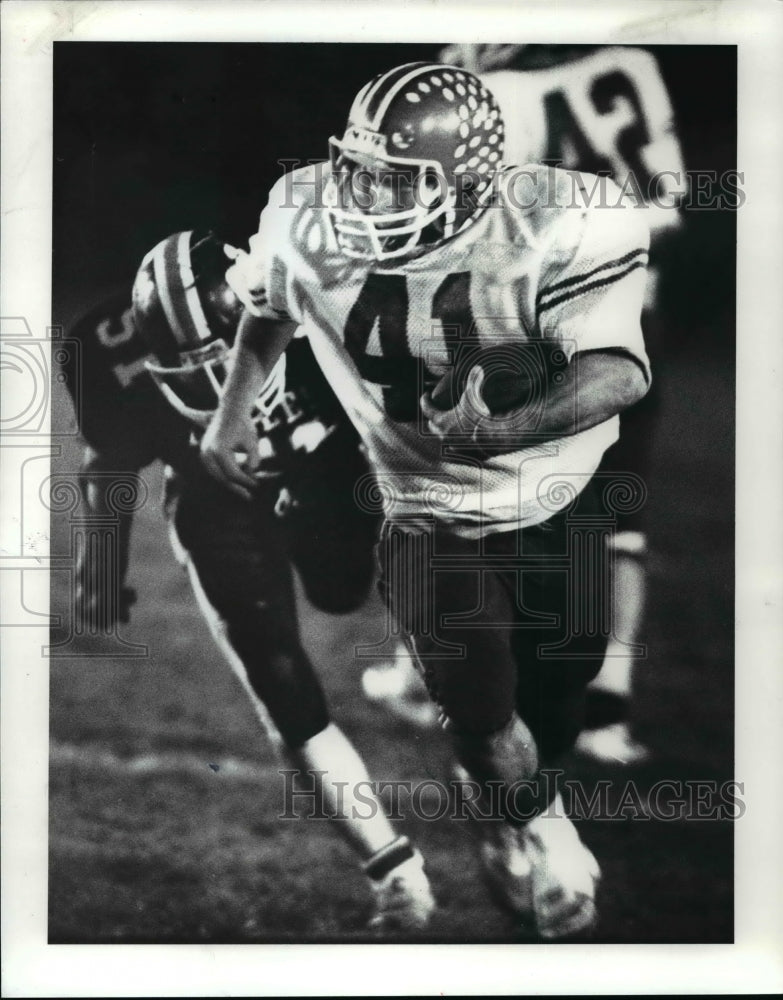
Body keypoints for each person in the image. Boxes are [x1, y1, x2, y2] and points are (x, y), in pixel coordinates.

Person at [201, 62, 651, 940]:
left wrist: (495, 432)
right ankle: (539, 828)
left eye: (399, 178)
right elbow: (269, 303)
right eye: (358, 167)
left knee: (555, 702)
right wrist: (232, 411)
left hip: (553, 497)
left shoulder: (563, 219)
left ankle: (510, 803)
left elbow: (617, 373)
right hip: (421, 508)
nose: (367, 196)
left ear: (471, 182)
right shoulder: (307, 215)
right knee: (482, 715)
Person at [58, 229, 436, 933]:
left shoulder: (327, 309)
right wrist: (99, 566)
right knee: (278, 680)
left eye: (220, 363)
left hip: (329, 466)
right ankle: (395, 875)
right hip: (215, 498)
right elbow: (107, 463)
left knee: (350, 586)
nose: (208, 388)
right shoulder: (106, 356)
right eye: (184, 369)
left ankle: (431, 680)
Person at [439, 42, 687, 764]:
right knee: (618, 511)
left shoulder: (497, 87)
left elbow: (482, 221)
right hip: (637, 309)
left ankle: (479, 680)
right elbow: (666, 206)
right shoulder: (629, 60)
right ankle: (605, 706)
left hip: (543, 313)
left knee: (489, 481)